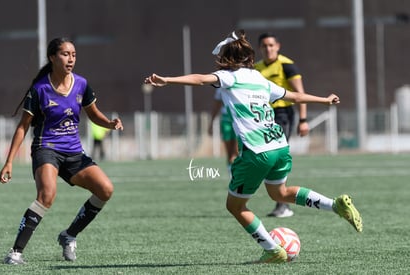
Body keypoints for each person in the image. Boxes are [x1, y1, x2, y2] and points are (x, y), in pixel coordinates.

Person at [145, 29, 362, 264]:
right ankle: (336, 205)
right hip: (279, 145)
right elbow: (294, 97)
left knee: (235, 206)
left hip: (256, 151)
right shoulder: (260, 79)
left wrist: (168, 80)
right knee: (279, 193)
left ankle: (272, 249)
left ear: (226, 60)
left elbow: (200, 79)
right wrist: (325, 100)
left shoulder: (230, 76)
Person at [0, 37, 124, 264]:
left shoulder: (82, 84)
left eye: (74, 54)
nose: (71, 59)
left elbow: (94, 114)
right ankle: (16, 252)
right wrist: (8, 162)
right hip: (46, 147)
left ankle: (69, 235)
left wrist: (109, 123)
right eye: (65, 54)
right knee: (47, 195)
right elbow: (23, 126)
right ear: (52, 58)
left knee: (105, 189)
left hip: (73, 152)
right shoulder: (40, 89)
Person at [254, 33, 309, 218]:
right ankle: (281, 202)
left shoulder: (287, 65)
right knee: (266, 158)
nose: (268, 49)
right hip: (263, 118)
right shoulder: (256, 68)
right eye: (264, 46)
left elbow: (299, 93)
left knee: (276, 157)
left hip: (283, 115)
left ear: (277, 46)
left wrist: (303, 120)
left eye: (271, 45)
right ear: (260, 48)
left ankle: (283, 205)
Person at [208, 88, 238, 175]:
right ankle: (231, 174)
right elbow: (216, 105)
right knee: (229, 154)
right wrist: (211, 123)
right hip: (226, 120)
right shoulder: (221, 87)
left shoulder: (241, 82)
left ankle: (237, 176)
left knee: (236, 151)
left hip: (238, 120)